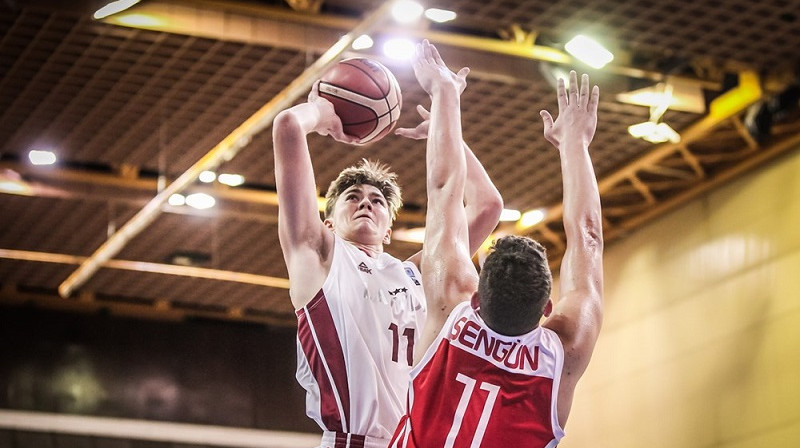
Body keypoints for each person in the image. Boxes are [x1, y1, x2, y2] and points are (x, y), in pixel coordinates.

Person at [271, 46, 503, 447]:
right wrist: (325, 113)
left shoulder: (418, 273)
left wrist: (446, 131)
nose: (366, 202)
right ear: (327, 222)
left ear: (389, 231)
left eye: (377, 201)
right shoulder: (316, 254)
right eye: (353, 197)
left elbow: (488, 205)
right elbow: (288, 125)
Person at [389, 46, 603, 448]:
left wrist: (446, 95)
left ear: (475, 298)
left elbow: (444, 190)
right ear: (547, 310)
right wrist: (576, 145)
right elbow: (588, 236)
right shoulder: (566, 351)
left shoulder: (450, 303)